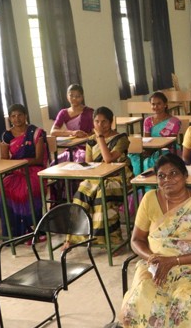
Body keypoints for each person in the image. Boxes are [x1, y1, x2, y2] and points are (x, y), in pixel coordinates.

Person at [120, 153, 191, 328]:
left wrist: (174, 261)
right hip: (154, 267)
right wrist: (152, 257)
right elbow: (136, 240)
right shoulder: (149, 199)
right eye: (161, 176)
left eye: (173, 173)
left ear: (185, 176)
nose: (167, 179)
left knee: (186, 302)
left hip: (189, 267)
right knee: (141, 298)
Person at [72, 107, 133, 245]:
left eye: (104, 121)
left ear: (111, 122)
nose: (100, 125)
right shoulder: (91, 140)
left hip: (120, 178)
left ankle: (111, 241)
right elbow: (89, 164)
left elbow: (108, 159)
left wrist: (100, 137)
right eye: (97, 121)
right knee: (82, 189)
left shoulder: (121, 139)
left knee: (102, 193)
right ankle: (76, 237)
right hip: (98, 177)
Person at [0, 104, 47, 238]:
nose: (17, 119)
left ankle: (34, 229)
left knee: (26, 191)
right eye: (13, 116)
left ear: (25, 116)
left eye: (19, 115)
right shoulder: (6, 136)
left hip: (34, 169)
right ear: (10, 119)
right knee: (2, 193)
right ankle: (14, 233)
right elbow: (4, 159)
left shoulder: (36, 132)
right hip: (14, 170)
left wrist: (21, 163)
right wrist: (16, 166)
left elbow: (38, 159)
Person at [129, 91, 182, 176]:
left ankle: (150, 185)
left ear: (165, 104)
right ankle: (140, 182)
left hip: (168, 149)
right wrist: (148, 150)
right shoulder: (148, 120)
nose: (156, 107)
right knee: (133, 154)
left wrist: (153, 150)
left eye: (159, 104)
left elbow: (170, 142)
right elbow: (147, 139)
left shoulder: (174, 121)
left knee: (153, 159)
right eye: (153, 104)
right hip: (151, 148)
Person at [50, 83, 94, 163]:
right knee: (54, 163)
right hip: (71, 148)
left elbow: (95, 132)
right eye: (71, 95)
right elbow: (53, 132)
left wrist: (85, 135)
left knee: (80, 160)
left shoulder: (89, 112)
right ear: (67, 97)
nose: (74, 98)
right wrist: (73, 133)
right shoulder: (63, 113)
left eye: (78, 96)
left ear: (82, 97)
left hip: (86, 147)